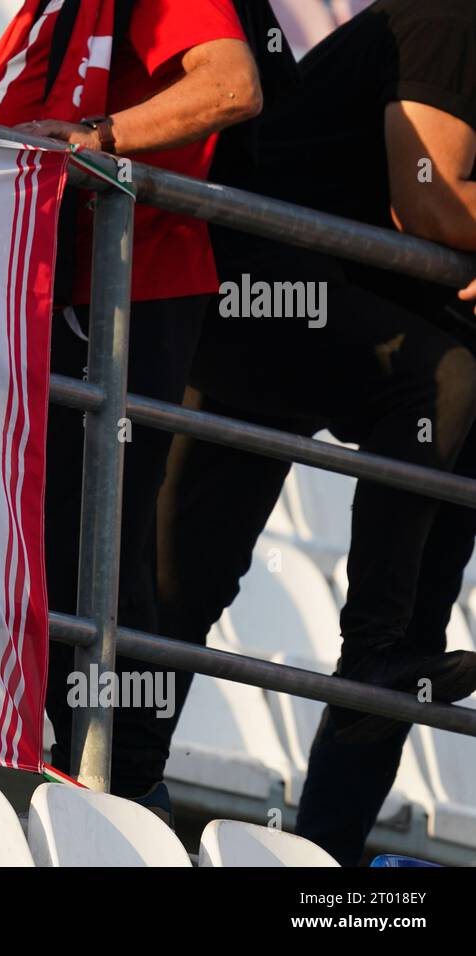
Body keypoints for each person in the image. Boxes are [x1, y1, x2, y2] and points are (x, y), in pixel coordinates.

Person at [154, 0, 476, 862]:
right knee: (178, 586)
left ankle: (324, 864)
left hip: (355, 305)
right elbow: (430, 200)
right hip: (256, 290)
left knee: (413, 628)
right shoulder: (456, 15)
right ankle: (108, 799)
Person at [0, 0, 266, 813]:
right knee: (74, 544)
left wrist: (95, 139)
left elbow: (232, 84)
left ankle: (118, 792)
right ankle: (99, 783)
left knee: (91, 550)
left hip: (118, 285)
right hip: (68, 284)